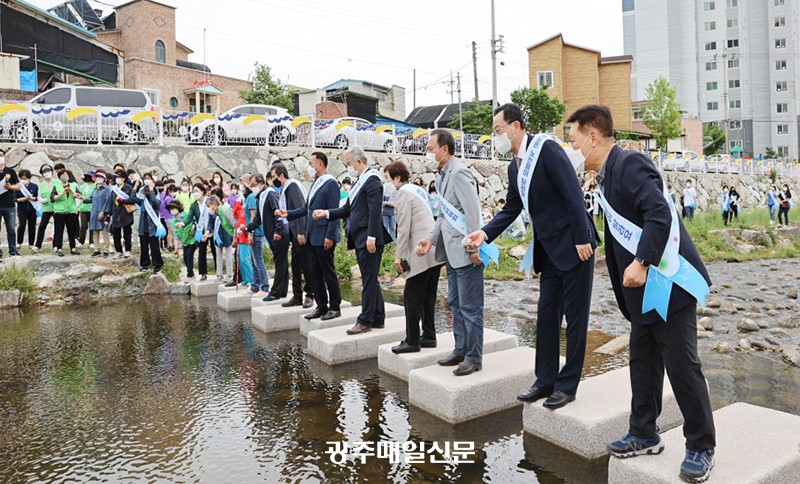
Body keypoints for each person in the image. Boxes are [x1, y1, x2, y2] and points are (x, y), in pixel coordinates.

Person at [566, 104, 715, 483]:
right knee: (643, 363)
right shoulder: (605, 175)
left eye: (573, 139)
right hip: (642, 294)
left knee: (682, 367)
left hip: (668, 285)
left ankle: (701, 445)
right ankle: (644, 433)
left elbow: (659, 215)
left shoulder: (630, 165)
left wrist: (642, 261)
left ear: (592, 136)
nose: (572, 148)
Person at [465, 103, 597, 407]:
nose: (496, 136)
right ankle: (544, 380)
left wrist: (582, 237)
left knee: (575, 319)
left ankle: (567, 386)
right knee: (546, 316)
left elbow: (572, 192)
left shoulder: (546, 149)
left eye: (498, 130)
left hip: (575, 246)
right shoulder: (515, 166)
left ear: (516, 126)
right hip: (548, 252)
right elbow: (512, 207)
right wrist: (484, 233)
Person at [416, 129, 484, 377]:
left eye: (430, 149)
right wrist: (429, 239)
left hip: (466, 251)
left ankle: (474, 357)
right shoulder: (442, 175)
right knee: (455, 303)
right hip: (451, 253)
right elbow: (444, 216)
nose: (427, 153)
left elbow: (473, 212)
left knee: (470, 307)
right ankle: (460, 349)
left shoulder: (460, 173)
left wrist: (475, 248)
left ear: (444, 149)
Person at [317, 146, 391, 334]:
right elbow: (346, 209)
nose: (348, 167)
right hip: (360, 237)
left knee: (368, 280)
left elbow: (375, 210)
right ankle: (378, 317)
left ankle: (365, 320)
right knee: (370, 278)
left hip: (369, 238)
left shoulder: (372, 180)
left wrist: (372, 236)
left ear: (359, 161)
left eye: (349, 163)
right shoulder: (360, 182)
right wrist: (326, 213)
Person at [384, 161, 442, 353]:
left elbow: (403, 227)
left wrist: (399, 256)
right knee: (428, 296)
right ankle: (429, 335)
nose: (387, 183)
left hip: (420, 250)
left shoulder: (402, 193)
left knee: (412, 296)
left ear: (397, 178)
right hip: (433, 248)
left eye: (388, 178)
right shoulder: (418, 190)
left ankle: (412, 340)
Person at [279, 152, 342, 321]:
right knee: (314, 273)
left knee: (328, 272)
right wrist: (288, 213)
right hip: (312, 236)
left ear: (320, 164)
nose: (309, 166)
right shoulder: (315, 183)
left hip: (324, 236)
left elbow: (334, 212)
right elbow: (306, 209)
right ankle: (321, 306)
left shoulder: (330, 183)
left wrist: (330, 235)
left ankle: (335, 307)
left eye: (311, 163)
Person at [273, 163, 314, 308]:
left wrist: (301, 231)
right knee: (295, 265)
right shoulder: (285, 189)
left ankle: (310, 294)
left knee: (306, 265)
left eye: (274, 176)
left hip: (300, 232)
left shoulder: (293, 186)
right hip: (293, 232)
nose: (273, 180)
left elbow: (301, 208)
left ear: (281, 175)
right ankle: (297, 296)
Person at [247, 173, 289, 301]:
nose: (252, 188)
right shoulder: (260, 197)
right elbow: (258, 219)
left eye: (254, 185)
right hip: (271, 235)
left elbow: (279, 212)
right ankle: (282, 291)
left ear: (261, 183)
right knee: (282, 263)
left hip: (279, 234)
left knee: (280, 263)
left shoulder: (270, 194)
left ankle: (275, 292)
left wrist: (278, 231)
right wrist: (247, 228)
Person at [131, 176, 163, 273]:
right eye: (146, 191)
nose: (147, 192)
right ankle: (145, 264)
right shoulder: (142, 202)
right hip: (143, 227)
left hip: (152, 227)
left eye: (148, 191)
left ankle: (157, 265)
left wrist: (152, 189)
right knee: (144, 247)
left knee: (154, 247)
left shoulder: (156, 201)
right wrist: (135, 187)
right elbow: (132, 198)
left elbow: (154, 201)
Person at [244, 177, 270, 297]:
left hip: (256, 233)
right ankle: (255, 285)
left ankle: (264, 286)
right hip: (257, 231)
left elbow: (253, 216)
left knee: (258, 261)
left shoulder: (251, 197)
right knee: (254, 261)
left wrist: (251, 232)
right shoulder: (256, 196)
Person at [204, 194, 235, 282]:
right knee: (218, 255)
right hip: (217, 236)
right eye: (208, 206)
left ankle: (229, 275)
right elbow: (210, 224)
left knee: (228, 256)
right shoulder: (212, 213)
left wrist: (234, 236)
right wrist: (206, 233)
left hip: (227, 235)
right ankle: (219, 274)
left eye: (210, 206)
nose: (209, 208)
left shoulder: (225, 210)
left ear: (215, 204)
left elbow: (232, 223)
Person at [83, 170, 114, 257]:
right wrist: (83, 198)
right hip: (94, 213)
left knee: (105, 232)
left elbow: (108, 202)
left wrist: (103, 212)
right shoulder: (95, 189)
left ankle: (106, 250)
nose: (98, 179)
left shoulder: (107, 190)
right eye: (97, 177)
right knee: (95, 232)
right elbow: (91, 199)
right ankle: (96, 249)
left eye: (100, 177)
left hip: (103, 214)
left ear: (104, 179)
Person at [50, 168, 80, 256]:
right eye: (63, 175)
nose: (65, 176)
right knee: (59, 230)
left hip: (71, 210)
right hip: (60, 211)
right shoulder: (56, 186)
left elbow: (79, 195)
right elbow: (52, 198)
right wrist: (61, 194)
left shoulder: (73, 185)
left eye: (66, 174)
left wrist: (71, 192)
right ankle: (59, 248)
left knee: (72, 230)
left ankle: (73, 248)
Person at [109, 170, 136, 258]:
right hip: (116, 213)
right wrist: (109, 214)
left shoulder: (128, 188)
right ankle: (118, 251)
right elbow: (111, 202)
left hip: (125, 213)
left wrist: (123, 200)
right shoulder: (114, 189)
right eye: (116, 177)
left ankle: (128, 250)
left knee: (127, 233)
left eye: (119, 177)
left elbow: (133, 200)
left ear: (124, 178)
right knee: (116, 233)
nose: (117, 179)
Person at [0, 150, 21, 259]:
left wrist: (11, 187)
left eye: (1, 155)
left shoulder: (10, 171)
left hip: (9, 205)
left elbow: (18, 185)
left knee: (11, 229)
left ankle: (13, 251)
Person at [34, 164, 56, 253]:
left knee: (57, 227)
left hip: (56, 208)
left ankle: (56, 245)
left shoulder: (57, 182)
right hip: (46, 208)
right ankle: (38, 245)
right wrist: (42, 200)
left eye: (48, 170)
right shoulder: (42, 184)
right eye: (45, 171)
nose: (47, 173)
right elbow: (38, 196)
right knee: (42, 226)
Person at [15, 169, 39, 249]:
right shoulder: (18, 186)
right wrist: (21, 199)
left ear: (29, 178)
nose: (23, 180)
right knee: (22, 225)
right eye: (22, 178)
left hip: (32, 209)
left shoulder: (34, 186)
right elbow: (14, 198)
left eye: (25, 178)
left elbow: (37, 197)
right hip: (22, 209)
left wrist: (32, 198)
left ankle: (31, 243)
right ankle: (19, 242)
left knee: (32, 226)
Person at [78, 172, 95, 248]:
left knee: (92, 226)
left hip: (92, 208)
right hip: (83, 208)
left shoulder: (95, 186)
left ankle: (92, 241)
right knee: (83, 226)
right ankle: (81, 241)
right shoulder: (82, 187)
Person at [382, 173, 397, 241]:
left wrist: (392, 203)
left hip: (393, 211)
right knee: (385, 226)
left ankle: (392, 241)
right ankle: (386, 241)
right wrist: (386, 203)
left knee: (392, 227)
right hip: (385, 210)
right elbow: (381, 201)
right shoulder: (383, 187)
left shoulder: (395, 187)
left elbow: (396, 199)